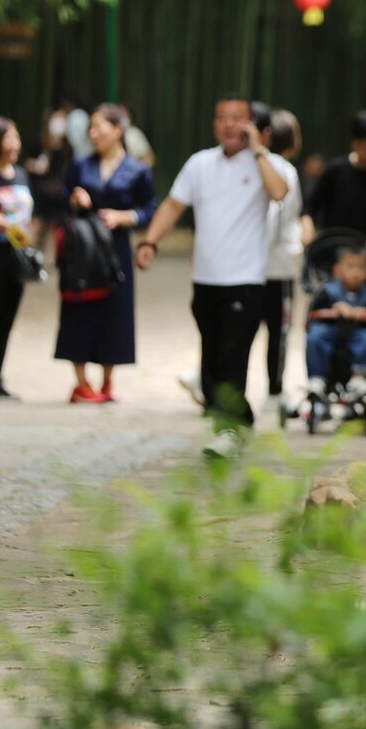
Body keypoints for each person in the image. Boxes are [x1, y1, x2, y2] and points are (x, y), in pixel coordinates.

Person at [136, 94, 290, 459]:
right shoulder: (200, 164)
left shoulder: (267, 164)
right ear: (214, 124)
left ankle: (227, 431)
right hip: (206, 279)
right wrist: (150, 242)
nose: (229, 124)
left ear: (251, 124)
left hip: (246, 280)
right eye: (223, 117)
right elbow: (173, 204)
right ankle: (240, 419)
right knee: (211, 361)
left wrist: (258, 150)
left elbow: (279, 192)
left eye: (238, 118)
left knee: (232, 357)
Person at [55, 104, 158, 403]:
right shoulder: (80, 165)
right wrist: (75, 199)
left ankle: (108, 381)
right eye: (91, 127)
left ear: (118, 130)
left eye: (99, 126)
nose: (93, 133)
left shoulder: (137, 170)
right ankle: (81, 383)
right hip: (82, 248)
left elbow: (150, 208)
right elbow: (62, 199)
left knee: (115, 311)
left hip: (116, 249)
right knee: (79, 308)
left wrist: (126, 217)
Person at [301, 110, 366, 319]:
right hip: (334, 261)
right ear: (353, 143)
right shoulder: (336, 170)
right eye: (361, 144)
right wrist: (308, 230)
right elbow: (310, 206)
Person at [0, 116, 34, 401]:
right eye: (8, 138)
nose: (15, 144)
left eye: (16, 137)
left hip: (15, 258)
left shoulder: (22, 175)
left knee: (5, 319)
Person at [260, 107, 304, 410]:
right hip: (275, 266)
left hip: (256, 265)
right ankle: (274, 392)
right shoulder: (284, 169)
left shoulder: (261, 165)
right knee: (279, 331)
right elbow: (274, 217)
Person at [305, 245, 366, 403]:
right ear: (337, 270)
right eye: (350, 267)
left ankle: (358, 377)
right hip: (330, 331)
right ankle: (317, 379)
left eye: (361, 267)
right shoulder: (327, 291)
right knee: (315, 337)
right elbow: (314, 314)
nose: (356, 272)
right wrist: (335, 308)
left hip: (357, 333)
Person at [24, 108, 73, 251]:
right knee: (37, 223)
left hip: (57, 193)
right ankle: (29, 254)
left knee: (53, 228)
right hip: (40, 190)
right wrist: (35, 166)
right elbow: (29, 164)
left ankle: (49, 259)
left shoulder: (67, 147)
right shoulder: (40, 142)